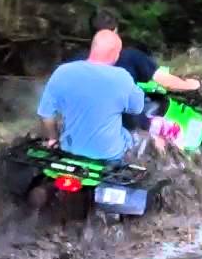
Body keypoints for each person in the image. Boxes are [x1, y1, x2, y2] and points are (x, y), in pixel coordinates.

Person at [37, 30, 145, 161]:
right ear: (114, 53)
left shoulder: (62, 71)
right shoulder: (122, 77)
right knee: (133, 138)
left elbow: (45, 115)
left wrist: (53, 138)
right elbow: (137, 109)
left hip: (70, 150)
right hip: (109, 155)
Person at [68, 8, 202, 92]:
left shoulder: (74, 61)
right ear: (115, 30)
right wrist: (194, 85)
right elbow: (167, 82)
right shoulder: (131, 56)